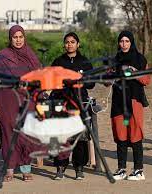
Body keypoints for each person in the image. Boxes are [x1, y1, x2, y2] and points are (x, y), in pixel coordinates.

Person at [0, 25, 41, 182]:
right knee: (8, 135)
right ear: (10, 38)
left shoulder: (31, 56)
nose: (18, 40)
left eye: (20, 37)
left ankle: (26, 169)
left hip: (27, 101)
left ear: (24, 38)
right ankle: (10, 170)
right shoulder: (1, 57)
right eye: (15, 37)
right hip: (6, 101)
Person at [51, 32, 95, 180]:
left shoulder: (84, 62)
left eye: (72, 42)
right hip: (61, 102)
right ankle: (60, 167)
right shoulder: (58, 62)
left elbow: (92, 83)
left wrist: (80, 79)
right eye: (67, 42)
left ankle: (79, 167)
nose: (69, 44)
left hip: (80, 103)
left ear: (78, 44)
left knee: (80, 136)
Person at [110, 30, 151, 181]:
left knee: (135, 136)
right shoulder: (115, 59)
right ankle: (121, 169)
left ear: (131, 42)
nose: (124, 44)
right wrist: (110, 73)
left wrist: (135, 72)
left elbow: (147, 80)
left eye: (127, 41)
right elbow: (107, 82)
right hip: (118, 104)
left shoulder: (140, 59)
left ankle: (139, 170)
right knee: (121, 136)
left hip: (134, 102)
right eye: (121, 41)